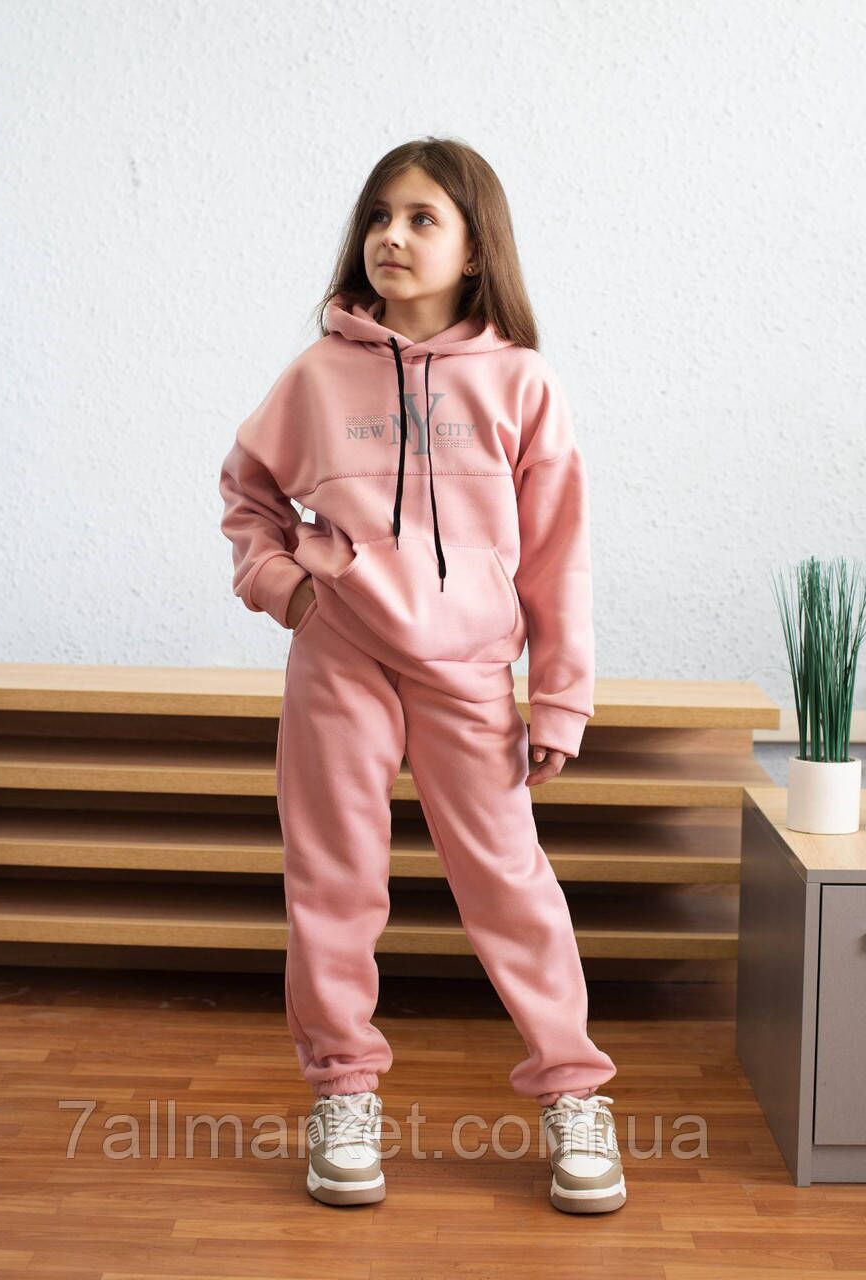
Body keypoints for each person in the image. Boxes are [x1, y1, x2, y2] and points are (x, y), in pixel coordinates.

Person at [217, 136, 624, 1215]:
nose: (389, 237)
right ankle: (343, 1092)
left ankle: (572, 1091)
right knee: (333, 882)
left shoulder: (522, 383)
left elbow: (557, 553)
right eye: (378, 216)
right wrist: (285, 589)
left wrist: (560, 694)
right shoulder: (317, 374)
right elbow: (248, 494)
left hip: (468, 669)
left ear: (474, 249)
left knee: (509, 883)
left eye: (420, 218)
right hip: (341, 653)